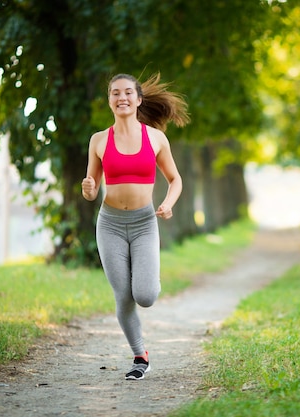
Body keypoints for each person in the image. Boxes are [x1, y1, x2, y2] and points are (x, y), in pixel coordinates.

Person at [81, 73, 189, 380]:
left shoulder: (155, 138)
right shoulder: (99, 141)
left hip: (144, 224)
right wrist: (88, 188)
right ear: (110, 101)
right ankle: (140, 356)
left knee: (145, 295)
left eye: (128, 92)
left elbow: (175, 179)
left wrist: (168, 203)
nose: (122, 97)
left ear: (138, 100)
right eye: (115, 93)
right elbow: (91, 189)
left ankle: (148, 275)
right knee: (123, 296)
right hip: (110, 225)